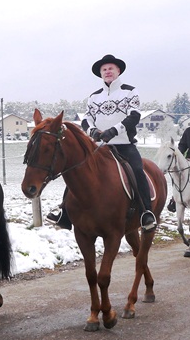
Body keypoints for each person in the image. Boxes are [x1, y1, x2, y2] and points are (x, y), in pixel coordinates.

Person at [47, 54, 157, 232]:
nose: (107, 72)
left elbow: (134, 116)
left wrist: (114, 131)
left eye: (110, 68)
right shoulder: (94, 96)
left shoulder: (130, 91)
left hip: (124, 144)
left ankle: (146, 213)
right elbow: (86, 119)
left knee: (137, 169)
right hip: (99, 146)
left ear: (118, 70)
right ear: (100, 74)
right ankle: (64, 212)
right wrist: (92, 131)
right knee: (76, 170)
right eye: (104, 69)